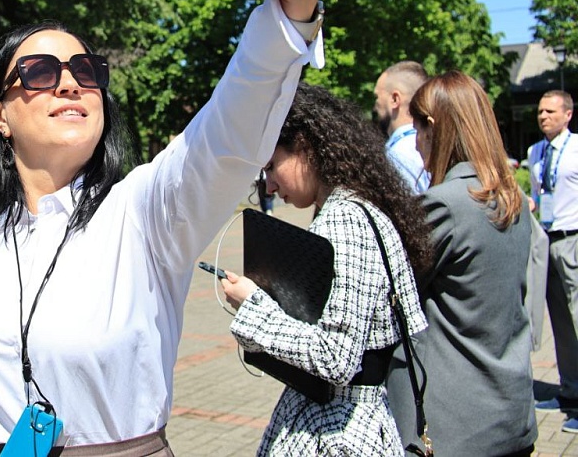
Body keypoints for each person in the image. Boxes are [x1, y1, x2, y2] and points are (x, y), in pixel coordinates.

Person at [0, 0, 325, 456]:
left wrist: (295, 5)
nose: (69, 83)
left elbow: (228, 132)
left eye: (85, 70)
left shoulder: (143, 214)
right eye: (40, 73)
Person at [221, 82, 430, 456]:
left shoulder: (344, 220)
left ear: (305, 146)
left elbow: (335, 357)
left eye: (271, 166)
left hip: (336, 429)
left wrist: (254, 306)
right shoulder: (354, 208)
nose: (269, 186)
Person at [389, 71, 536, 454]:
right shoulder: (512, 199)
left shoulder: (444, 205)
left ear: (433, 127)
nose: (416, 144)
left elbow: (390, 294)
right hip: (512, 415)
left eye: (416, 130)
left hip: (456, 427)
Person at [527, 89, 578, 431]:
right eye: (540, 112)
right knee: (560, 322)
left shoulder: (576, 150)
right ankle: (570, 391)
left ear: (568, 114)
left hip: (573, 238)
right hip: (546, 240)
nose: (543, 116)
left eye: (550, 111)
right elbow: (539, 192)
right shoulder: (535, 152)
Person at [373, 61, 430, 193]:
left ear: (395, 99)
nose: (375, 106)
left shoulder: (397, 157)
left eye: (377, 97)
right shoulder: (432, 146)